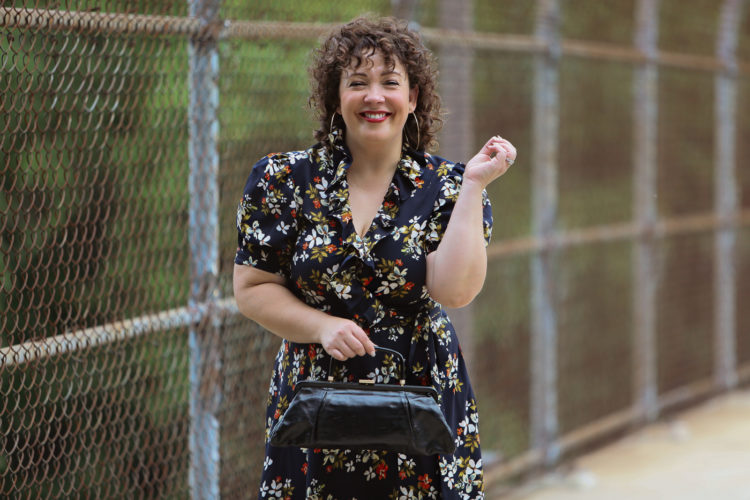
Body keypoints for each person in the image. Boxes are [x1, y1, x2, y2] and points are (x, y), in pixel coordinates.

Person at [234, 15, 517, 500]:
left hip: (420, 390)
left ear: (412, 99)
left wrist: (474, 185)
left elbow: (456, 291)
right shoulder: (281, 179)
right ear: (334, 99)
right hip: (316, 399)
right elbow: (252, 288)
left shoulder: (449, 185)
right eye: (357, 83)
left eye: (390, 82)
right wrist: (321, 326)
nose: (374, 97)